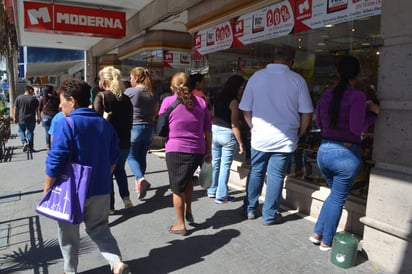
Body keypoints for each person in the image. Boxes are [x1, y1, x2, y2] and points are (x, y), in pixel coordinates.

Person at [43, 79, 128, 274]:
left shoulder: (67, 124)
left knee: (69, 234)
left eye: (62, 100)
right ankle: (116, 263)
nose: (59, 104)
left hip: (71, 191)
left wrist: (47, 188)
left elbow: (56, 160)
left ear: (72, 100)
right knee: (100, 228)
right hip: (101, 188)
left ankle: (70, 270)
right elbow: (114, 156)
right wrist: (103, 174)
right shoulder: (104, 124)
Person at [309, 56, 379, 251]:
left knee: (334, 196)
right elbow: (357, 128)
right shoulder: (357, 96)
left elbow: (319, 124)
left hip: (324, 152)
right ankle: (326, 241)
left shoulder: (326, 94)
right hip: (346, 155)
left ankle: (317, 233)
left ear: (338, 73)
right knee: (338, 198)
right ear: (357, 73)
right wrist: (372, 113)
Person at [239, 45, 314, 225]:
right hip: (285, 138)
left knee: (256, 171)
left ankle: (250, 208)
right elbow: (307, 113)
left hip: (260, 136)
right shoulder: (297, 80)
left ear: (274, 58)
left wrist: (252, 126)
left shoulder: (257, 77)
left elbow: (245, 109)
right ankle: (270, 215)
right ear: (291, 61)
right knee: (276, 175)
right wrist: (300, 133)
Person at [159, 72, 212, 235]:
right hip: (197, 149)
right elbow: (208, 130)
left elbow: (161, 126)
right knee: (188, 180)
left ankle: (181, 225)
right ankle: (188, 210)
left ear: (172, 87)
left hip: (176, 150)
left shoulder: (168, 101)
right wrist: (208, 150)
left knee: (177, 189)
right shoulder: (201, 103)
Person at [94, 66, 134, 214]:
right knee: (120, 170)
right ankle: (126, 199)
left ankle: (110, 206)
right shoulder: (126, 98)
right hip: (124, 142)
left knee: (107, 173)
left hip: (108, 144)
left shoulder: (102, 97)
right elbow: (130, 121)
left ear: (104, 82)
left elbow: (96, 122)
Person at [207, 75, 245, 203]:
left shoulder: (218, 96)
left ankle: (212, 190)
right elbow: (234, 124)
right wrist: (240, 143)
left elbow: (212, 114)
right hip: (227, 134)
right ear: (237, 87)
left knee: (215, 163)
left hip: (215, 130)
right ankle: (221, 195)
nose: (242, 90)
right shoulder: (234, 102)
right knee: (225, 165)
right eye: (242, 87)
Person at [124, 67, 158, 200]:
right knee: (142, 156)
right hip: (149, 128)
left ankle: (140, 179)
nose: (130, 80)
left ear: (136, 78)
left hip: (134, 127)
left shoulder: (130, 92)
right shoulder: (152, 93)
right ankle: (140, 184)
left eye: (131, 78)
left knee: (131, 157)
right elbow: (156, 111)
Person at [13, 85, 41, 152]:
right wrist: (39, 117)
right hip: (31, 119)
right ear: (30, 90)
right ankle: (30, 148)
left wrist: (15, 117)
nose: (33, 93)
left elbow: (15, 108)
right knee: (30, 132)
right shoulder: (34, 99)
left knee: (21, 131)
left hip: (21, 119)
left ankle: (24, 142)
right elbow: (38, 110)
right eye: (33, 92)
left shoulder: (18, 98)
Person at [38, 85, 60, 150]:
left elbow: (39, 109)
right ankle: (55, 145)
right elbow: (59, 107)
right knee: (55, 132)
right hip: (55, 117)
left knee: (47, 132)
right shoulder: (56, 98)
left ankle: (48, 146)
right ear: (52, 91)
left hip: (45, 117)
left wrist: (39, 117)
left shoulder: (42, 99)